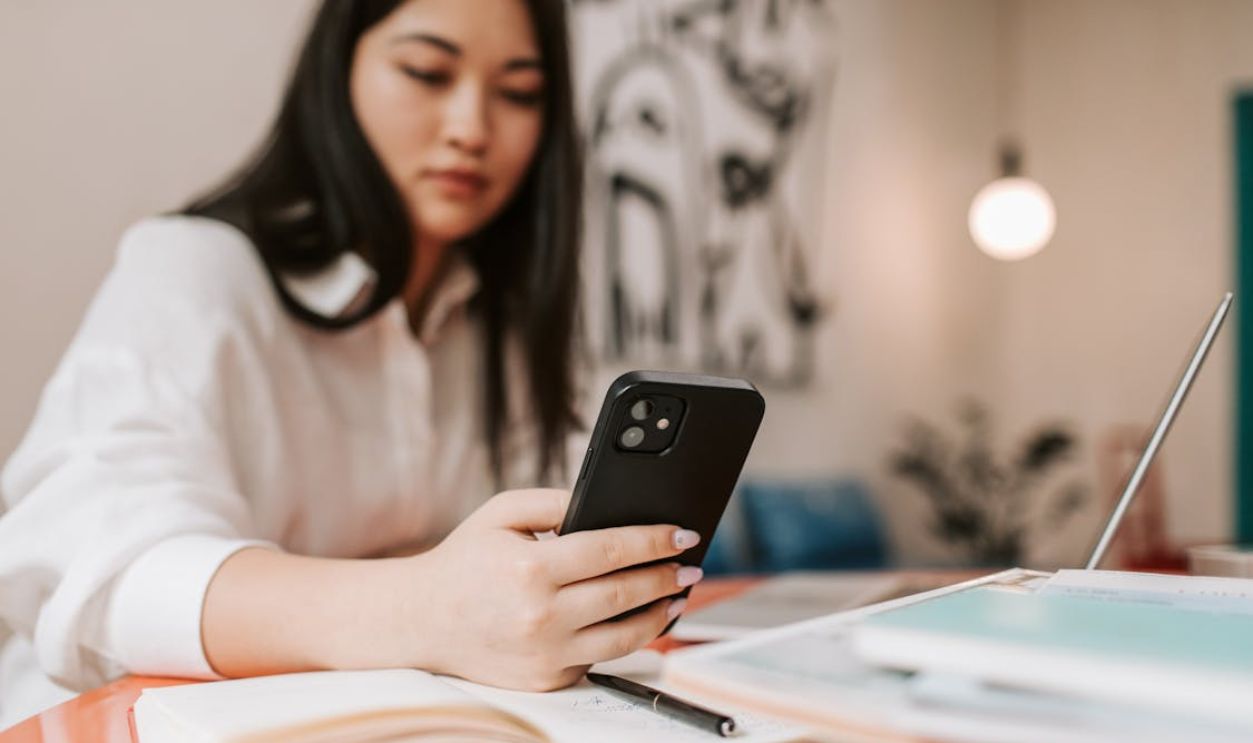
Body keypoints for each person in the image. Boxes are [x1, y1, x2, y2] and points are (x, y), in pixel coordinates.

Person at [0, 0, 704, 726]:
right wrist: (425, 605)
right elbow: (104, 576)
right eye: (427, 72)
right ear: (339, 73)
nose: (471, 128)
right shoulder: (193, 268)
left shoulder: (501, 322)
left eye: (519, 93)